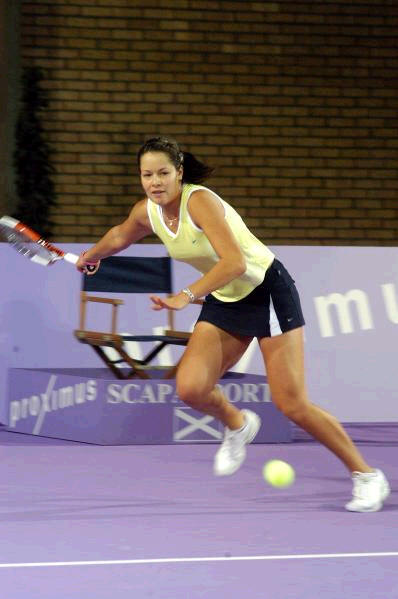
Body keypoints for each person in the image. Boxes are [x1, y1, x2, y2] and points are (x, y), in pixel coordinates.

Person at [77, 136, 390, 512]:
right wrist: (92, 255)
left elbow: (234, 264)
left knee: (291, 404)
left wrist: (186, 296)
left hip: (267, 292)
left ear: (179, 173)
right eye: (147, 175)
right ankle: (238, 423)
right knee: (191, 388)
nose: (155, 182)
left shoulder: (201, 201)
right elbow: (121, 234)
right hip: (226, 299)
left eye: (163, 173)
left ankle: (366, 475)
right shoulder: (149, 211)